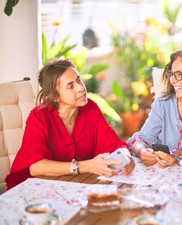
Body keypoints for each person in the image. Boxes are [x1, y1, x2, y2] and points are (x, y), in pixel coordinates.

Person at [5, 59, 135, 190]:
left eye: (79, 80)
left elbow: (112, 143)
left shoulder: (91, 108)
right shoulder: (39, 117)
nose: (80, 88)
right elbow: (36, 167)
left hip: (77, 185)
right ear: (55, 96)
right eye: (70, 86)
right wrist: (87, 166)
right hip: (39, 189)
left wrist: (125, 156)